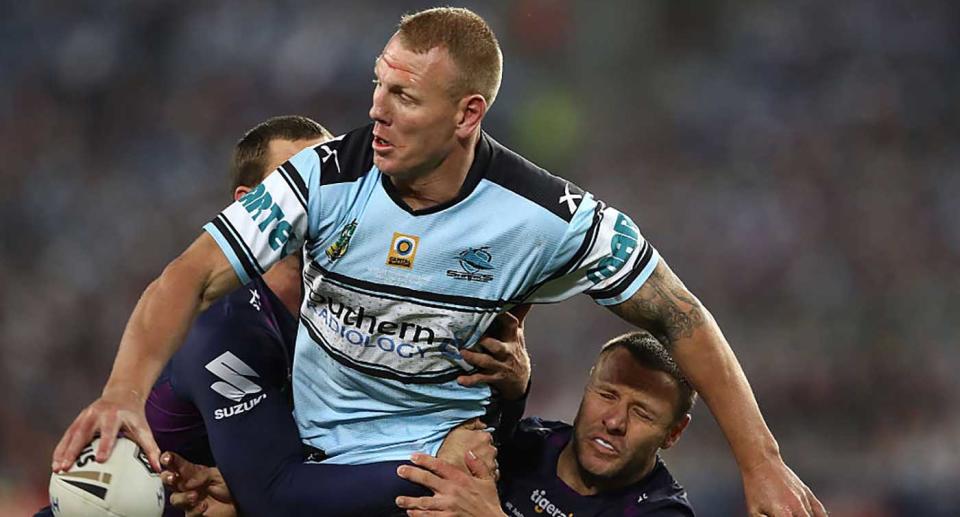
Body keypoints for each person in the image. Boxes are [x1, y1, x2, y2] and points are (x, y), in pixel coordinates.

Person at [52, 7, 824, 516]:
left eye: (406, 97)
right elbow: (186, 275)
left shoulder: (546, 216)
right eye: (377, 85)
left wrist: (762, 463)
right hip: (319, 464)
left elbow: (681, 314)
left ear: (468, 114)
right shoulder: (323, 177)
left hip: (441, 481)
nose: (378, 112)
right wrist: (123, 387)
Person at [395, 330, 696, 516]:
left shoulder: (660, 510)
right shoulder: (527, 445)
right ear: (588, 385)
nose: (615, 421)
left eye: (642, 413)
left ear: (674, 432)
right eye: (607, 395)